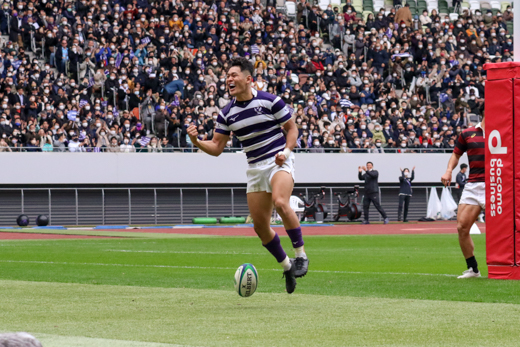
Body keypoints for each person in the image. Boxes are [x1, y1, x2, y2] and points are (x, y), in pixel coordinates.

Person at [186, 57, 308, 294]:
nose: (229, 79)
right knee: (260, 227)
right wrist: (196, 141)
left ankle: (300, 255)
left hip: (278, 160)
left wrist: (286, 151)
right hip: (255, 167)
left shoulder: (270, 101)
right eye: (227, 75)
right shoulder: (226, 113)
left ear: (248, 78)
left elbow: (292, 129)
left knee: (281, 202)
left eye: (233, 75)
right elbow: (217, 147)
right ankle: (287, 267)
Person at [441, 108, 485, 279]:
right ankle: (473, 269)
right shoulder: (468, 133)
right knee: (462, 228)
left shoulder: (505, 132)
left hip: (496, 184)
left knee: (510, 228)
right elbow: (456, 154)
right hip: (473, 185)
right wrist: (448, 171)